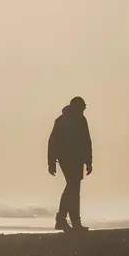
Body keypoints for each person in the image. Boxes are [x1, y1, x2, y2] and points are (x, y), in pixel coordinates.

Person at [47, 96, 92, 232]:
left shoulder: (80, 120)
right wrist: (51, 162)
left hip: (76, 159)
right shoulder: (63, 120)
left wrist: (88, 161)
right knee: (73, 187)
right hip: (67, 159)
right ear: (77, 107)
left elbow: (86, 141)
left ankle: (72, 222)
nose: (84, 109)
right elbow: (53, 141)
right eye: (82, 107)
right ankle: (63, 219)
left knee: (74, 189)